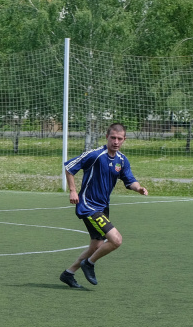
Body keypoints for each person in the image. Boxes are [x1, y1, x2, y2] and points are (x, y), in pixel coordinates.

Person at [59, 123, 148, 289]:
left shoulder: (121, 160)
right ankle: (89, 263)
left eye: (119, 139)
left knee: (96, 245)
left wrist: (139, 188)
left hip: (102, 207)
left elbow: (130, 180)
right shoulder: (95, 155)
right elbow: (70, 168)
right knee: (116, 240)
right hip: (88, 205)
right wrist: (72, 191)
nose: (116, 141)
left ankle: (68, 273)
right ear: (107, 137)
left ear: (124, 139)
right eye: (113, 137)